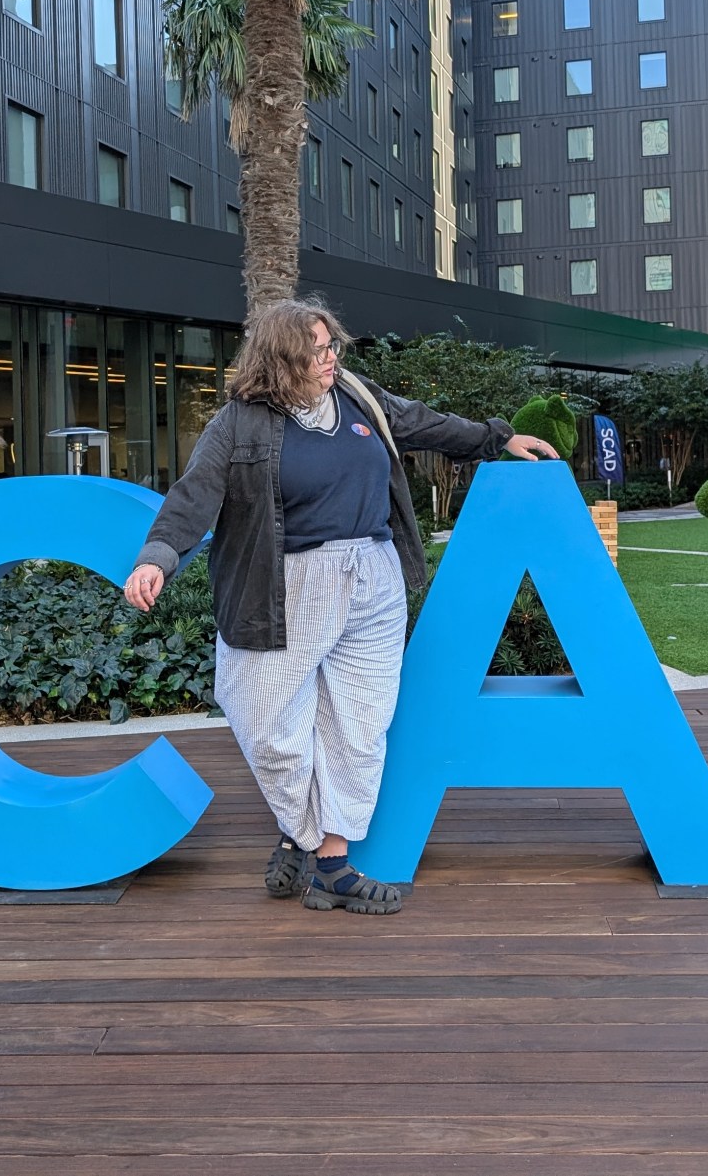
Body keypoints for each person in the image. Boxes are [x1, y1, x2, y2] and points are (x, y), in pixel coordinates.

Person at [122, 299, 560, 916]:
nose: (331, 360)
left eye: (332, 347)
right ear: (280, 361)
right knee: (271, 725)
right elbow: (193, 496)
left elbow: (420, 423)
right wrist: (157, 557)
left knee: (358, 723)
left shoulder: (357, 395)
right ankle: (298, 832)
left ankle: (331, 861)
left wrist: (498, 436)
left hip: (371, 579)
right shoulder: (238, 424)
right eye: (317, 353)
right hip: (284, 588)